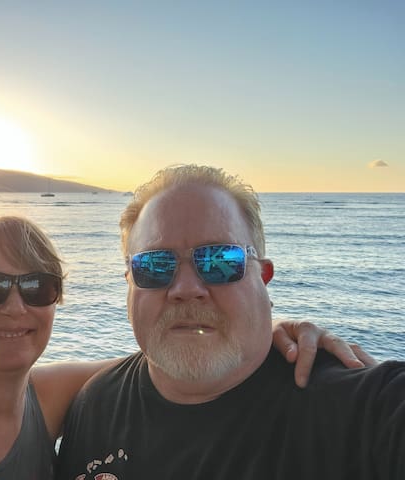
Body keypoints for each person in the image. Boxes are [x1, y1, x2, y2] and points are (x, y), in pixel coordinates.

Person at [0, 215, 372, 480]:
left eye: (37, 287)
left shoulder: (52, 396)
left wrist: (272, 331)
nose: (15, 307)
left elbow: (175, 360)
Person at [56, 164, 404, 480]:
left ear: (263, 277)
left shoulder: (362, 409)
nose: (186, 289)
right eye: (155, 265)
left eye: (219, 261)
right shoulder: (96, 405)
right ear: (129, 282)